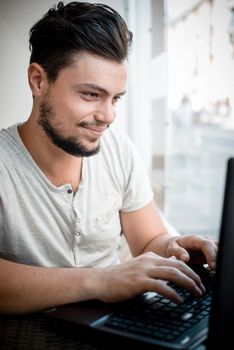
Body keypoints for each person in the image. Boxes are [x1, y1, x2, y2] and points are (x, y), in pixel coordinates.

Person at [0, 1, 217, 314]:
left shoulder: (118, 149)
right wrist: (100, 281)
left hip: (115, 327)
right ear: (38, 81)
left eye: (115, 98)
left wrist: (173, 247)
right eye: (91, 94)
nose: (108, 115)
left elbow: (147, 241)